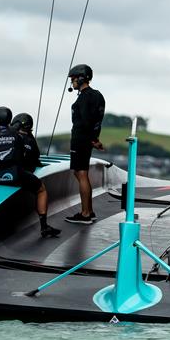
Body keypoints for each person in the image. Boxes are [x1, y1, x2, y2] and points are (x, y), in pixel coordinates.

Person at [0, 108, 60, 238]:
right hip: (16, 175)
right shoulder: (17, 135)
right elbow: (20, 159)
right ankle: (44, 226)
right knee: (41, 190)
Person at [65, 63, 105, 225]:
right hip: (88, 140)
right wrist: (95, 139)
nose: (72, 82)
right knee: (82, 173)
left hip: (80, 140)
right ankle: (89, 211)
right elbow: (97, 121)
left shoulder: (84, 97)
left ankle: (86, 213)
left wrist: (90, 139)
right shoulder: (98, 95)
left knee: (81, 173)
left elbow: (86, 122)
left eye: (73, 79)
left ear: (81, 78)